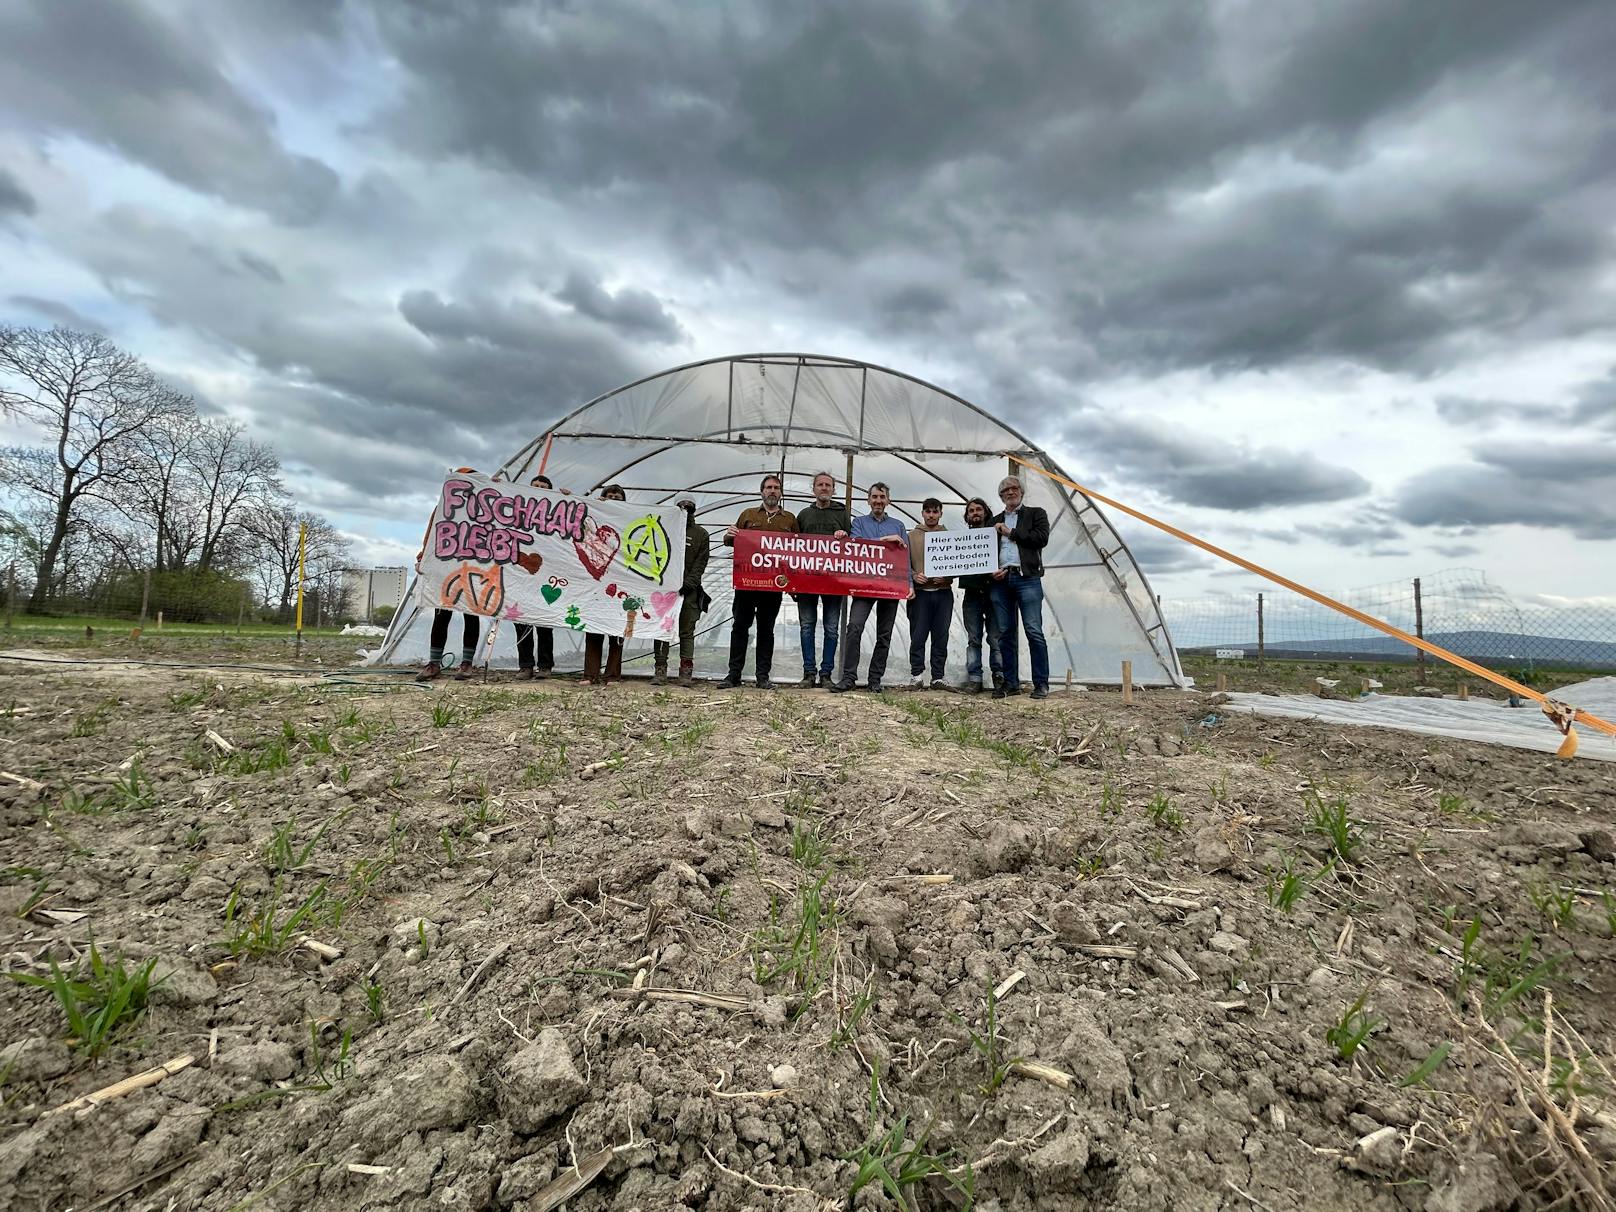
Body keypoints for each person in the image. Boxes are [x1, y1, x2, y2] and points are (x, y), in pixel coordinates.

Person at [830, 482, 911, 693]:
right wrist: (885, 540)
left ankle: (875, 679)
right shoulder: (858, 522)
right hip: (865, 585)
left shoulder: (899, 525)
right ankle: (849, 677)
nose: (878, 501)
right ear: (868, 500)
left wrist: (909, 584)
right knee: (854, 627)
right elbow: (857, 545)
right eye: (874, 497)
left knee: (884, 634)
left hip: (890, 586)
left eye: (882, 497)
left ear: (888, 501)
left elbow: (905, 558)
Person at [719, 473, 797, 689]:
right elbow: (730, 542)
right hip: (747, 584)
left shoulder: (789, 519)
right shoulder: (748, 514)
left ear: (781, 493)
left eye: (776, 488)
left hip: (773, 586)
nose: (772, 491)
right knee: (740, 627)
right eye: (768, 487)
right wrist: (730, 534)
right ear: (762, 491)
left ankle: (762, 676)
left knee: (766, 629)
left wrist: (793, 585)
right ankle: (733, 675)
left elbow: (798, 552)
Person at [417, 466, 483, 682]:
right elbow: (432, 535)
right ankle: (434, 663)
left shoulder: (484, 509)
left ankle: (467, 663)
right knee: (441, 614)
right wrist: (423, 556)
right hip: (446, 570)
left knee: (471, 615)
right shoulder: (443, 508)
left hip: (474, 570)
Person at [990, 476, 1051, 700]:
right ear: (1001, 496)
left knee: (1034, 631)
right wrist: (991, 570)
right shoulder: (993, 521)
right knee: (1005, 633)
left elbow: (1041, 538)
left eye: (1014, 488)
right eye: (1005, 489)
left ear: (1021, 492)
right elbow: (984, 551)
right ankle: (1011, 683)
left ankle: (1041, 684)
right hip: (1001, 581)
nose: (1010, 492)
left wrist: (1010, 533)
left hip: (1027, 578)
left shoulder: (1036, 514)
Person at [793, 470, 851, 688]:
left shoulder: (843, 514)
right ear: (814, 489)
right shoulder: (804, 515)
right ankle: (809, 673)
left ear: (834, 489)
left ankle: (826, 673)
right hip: (807, 581)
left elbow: (853, 546)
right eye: (820, 485)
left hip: (834, 582)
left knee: (831, 628)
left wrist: (845, 536)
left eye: (828, 485)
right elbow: (793, 548)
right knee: (806, 626)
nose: (824, 488)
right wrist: (793, 582)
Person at [653, 499, 710, 686]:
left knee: (687, 631)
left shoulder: (701, 534)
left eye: (689, 508)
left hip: (689, 592)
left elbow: (700, 563)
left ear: (694, 511)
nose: (685, 511)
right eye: (681, 507)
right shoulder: (664, 529)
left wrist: (688, 584)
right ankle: (660, 670)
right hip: (665, 591)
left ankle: (685, 672)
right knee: (663, 629)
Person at [514, 473, 559, 680]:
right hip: (521, 576)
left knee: (544, 623)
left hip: (546, 577)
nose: (539, 488)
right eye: (536, 485)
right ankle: (525, 665)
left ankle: (545, 665)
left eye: (543, 486)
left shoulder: (556, 515)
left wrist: (566, 497)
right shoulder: (518, 511)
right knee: (521, 622)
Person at [957, 497, 1004, 694]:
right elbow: (949, 561)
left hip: (994, 591)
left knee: (995, 637)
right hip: (972, 594)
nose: (975, 513)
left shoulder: (997, 536)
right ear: (967, 517)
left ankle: (999, 675)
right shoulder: (961, 541)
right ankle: (975, 678)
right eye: (971, 511)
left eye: (978, 509)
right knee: (973, 638)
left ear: (985, 512)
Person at [583, 484, 628, 686]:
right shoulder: (595, 517)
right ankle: (590, 675)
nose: (613, 499)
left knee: (617, 632)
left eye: (618, 497)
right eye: (610, 496)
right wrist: (593, 505)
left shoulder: (629, 519)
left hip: (620, 585)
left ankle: (612, 675)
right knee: (593, 630)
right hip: (596, 585)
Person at [907, 497, 954, 689]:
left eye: (935, 511)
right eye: (928, 511)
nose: (931, 515)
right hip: (920, 594)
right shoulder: (912, 536)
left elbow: (959, 563)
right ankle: (916, 675)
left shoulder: (949, 536)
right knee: (918, 635)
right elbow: (903, 563)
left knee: (941, 636)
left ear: (941, 513)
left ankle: (938, 676)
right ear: (922, 513)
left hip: (943, 593)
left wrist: (948, 576)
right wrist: (914, 575)